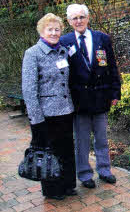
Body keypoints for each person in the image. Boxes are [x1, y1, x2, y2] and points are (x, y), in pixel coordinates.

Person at [60, 4, 121, 188]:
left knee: (102, 138)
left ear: (88, 18)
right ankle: (85, 174)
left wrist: (115, 92)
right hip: (79, 100)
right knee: (82, 140)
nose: (78, 21)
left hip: (101, 96)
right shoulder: (64, 41)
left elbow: (112, 67)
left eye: (81, 17)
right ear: (69, 22)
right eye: (74, 18)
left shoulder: (102, 38)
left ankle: (104, 170)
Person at [22, 13, 76, 200]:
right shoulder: (32, 54)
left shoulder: (63, 50)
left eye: (57, 29)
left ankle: (68, 185)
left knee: (66, 151)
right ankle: (53, 190)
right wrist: (36, 121)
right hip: (46, 114)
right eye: (50, 29)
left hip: (66, 111)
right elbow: (29, 90)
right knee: (49, 153)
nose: (54, 33)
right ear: (41, 31)